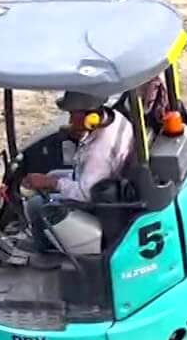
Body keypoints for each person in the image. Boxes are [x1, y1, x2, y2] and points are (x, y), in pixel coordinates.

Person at [20, 91, 133, 253]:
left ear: (91, 117)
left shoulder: (98, 152)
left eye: (73, 115)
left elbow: (85, 194)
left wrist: (52, 183)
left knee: (35, 205)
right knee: (52, 174)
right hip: (105, 183)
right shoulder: (114, 118)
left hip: (99, 203)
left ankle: (45, 252)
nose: (70, 121)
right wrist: (51, 179)